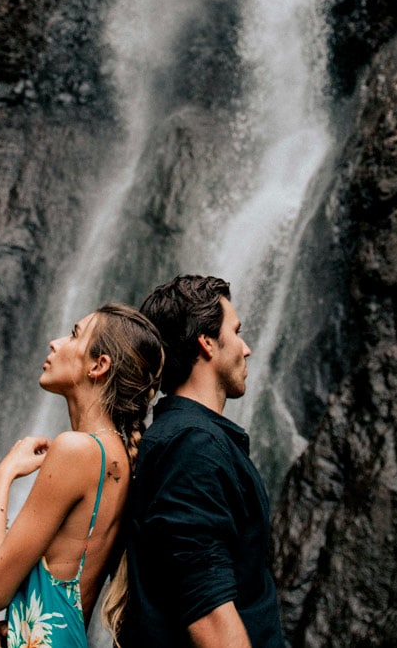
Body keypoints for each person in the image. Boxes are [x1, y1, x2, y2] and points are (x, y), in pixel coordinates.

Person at [0, 302, 164, 648]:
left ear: (98, 365)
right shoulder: (118, 458)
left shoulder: (77, 451)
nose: (55, 343)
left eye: (74, 335)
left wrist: (1, 478)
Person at [119, 275, 285, 648]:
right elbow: (208, 612)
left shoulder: (183, 438)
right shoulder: (193, 446)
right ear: (207, 342)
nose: (246, 349)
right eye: (236, 332)